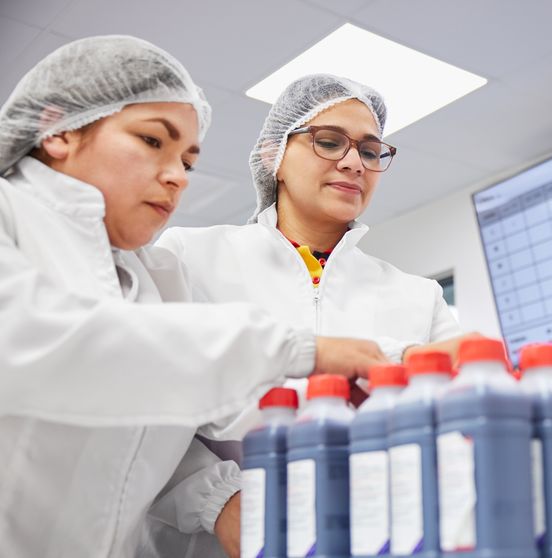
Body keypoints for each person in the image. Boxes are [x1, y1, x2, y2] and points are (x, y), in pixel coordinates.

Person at [0, 36, 386, 558]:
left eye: (189, 159)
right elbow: (43, 341)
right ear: (60, 131)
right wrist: (300, 350)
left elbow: (190, 415)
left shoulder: (154, 280)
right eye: (154, 141)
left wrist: (370, 392)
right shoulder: (9, 219)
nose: (177, 175)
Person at [157, 74, 477, 402]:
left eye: (369, 152)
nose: (354, 164)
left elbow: (460, 406)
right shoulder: (190, 256)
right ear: (273, 157)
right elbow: (158, 386)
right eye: (328, 142)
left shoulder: (420, 298)